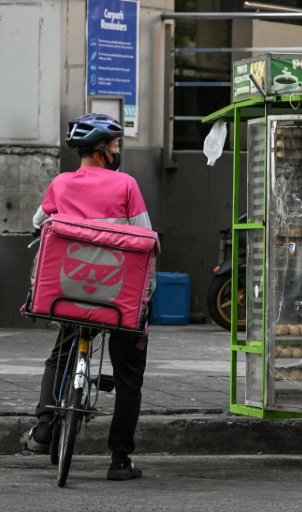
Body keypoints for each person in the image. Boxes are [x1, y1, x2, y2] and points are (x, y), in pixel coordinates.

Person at [20, 113, 152, 481]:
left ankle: (45, 426)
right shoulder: (126, 185)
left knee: (60, 355)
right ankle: (120, 460)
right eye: (115, 145)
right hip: (116, 299)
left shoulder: (60, 184)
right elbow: (145, 237)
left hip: (69, 293)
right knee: (128, 375)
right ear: (102, 149)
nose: (117, 150)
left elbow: (37, 222)